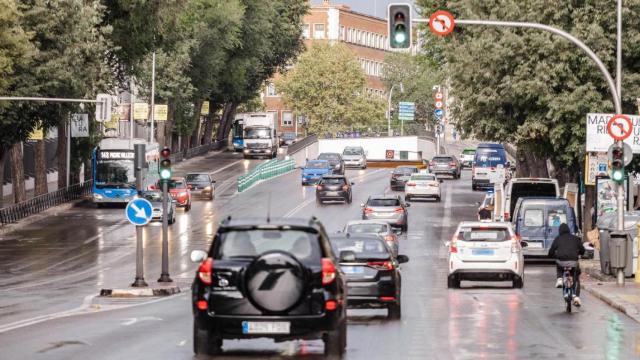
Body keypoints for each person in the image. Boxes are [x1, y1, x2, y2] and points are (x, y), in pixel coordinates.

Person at [548, 223, 585, 306]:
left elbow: (551, 252)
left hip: (561, 261)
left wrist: (553, 256)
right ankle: (576, 296)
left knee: (558, 264)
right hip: (573, 262)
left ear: (560, 231)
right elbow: (583, 250)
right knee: (576, 278)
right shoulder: (575, 238)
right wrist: (579, 253)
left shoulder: (558, 239)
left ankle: (560, 278)